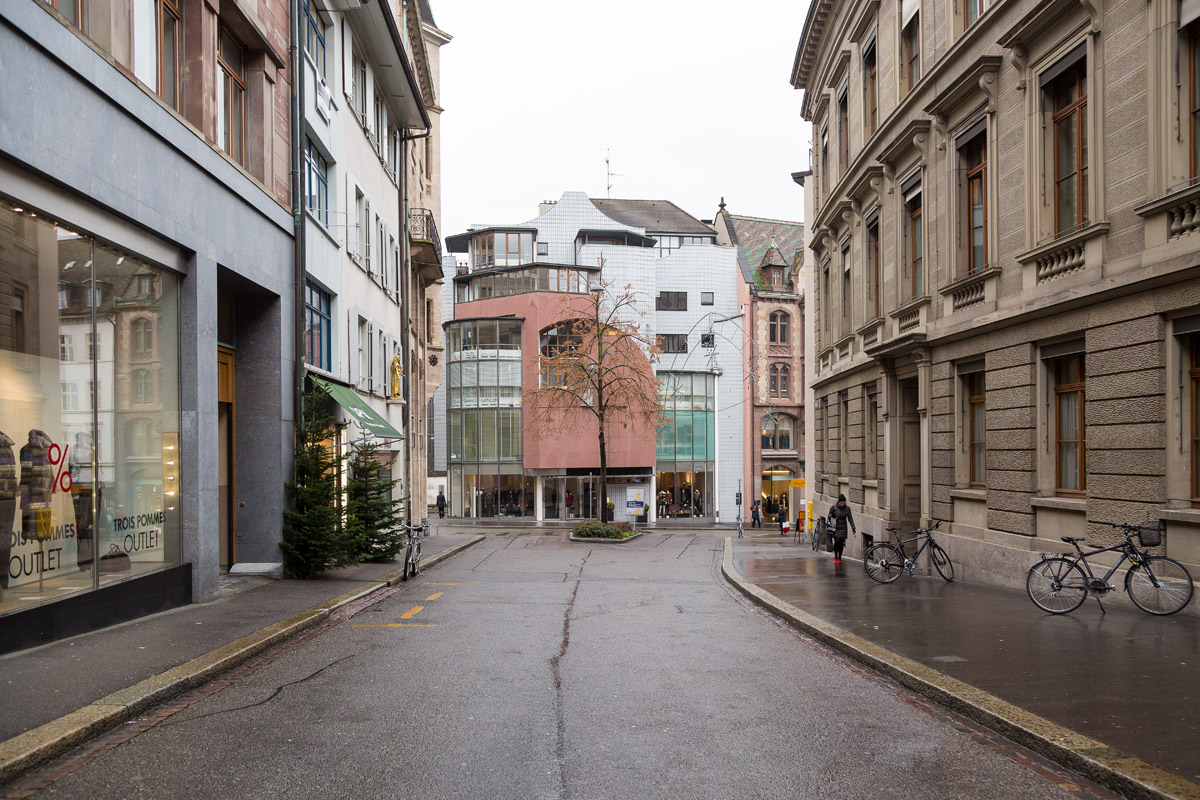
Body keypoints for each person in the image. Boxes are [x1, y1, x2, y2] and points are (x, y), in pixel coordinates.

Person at [827, 493, 856, 564]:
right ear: (839, 502)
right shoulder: (833, 507)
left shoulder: (847, 509)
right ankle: (835, 556)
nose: (842, 504)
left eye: (844, 503)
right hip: (835, 528)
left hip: (843, 527)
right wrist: (832, 516)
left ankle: (839, 557)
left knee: (841, 543)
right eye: (841, 503)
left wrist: (853, 527)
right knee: (836, 542)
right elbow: (829, 517)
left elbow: (850, 518)